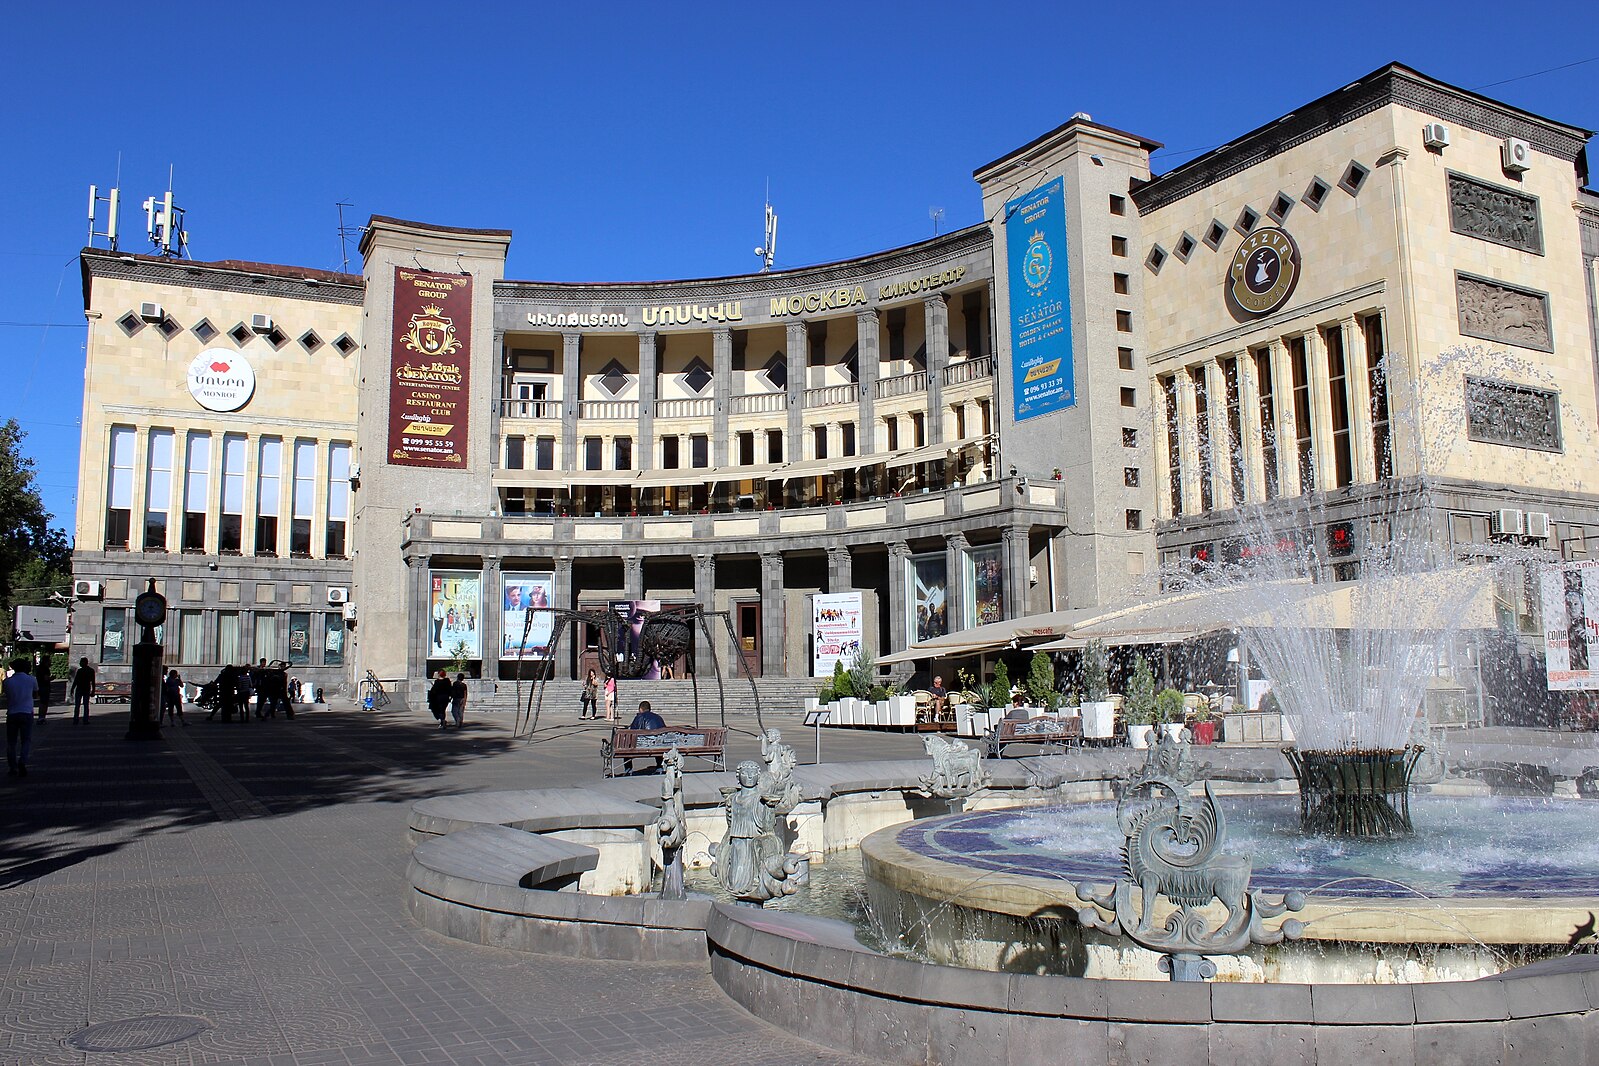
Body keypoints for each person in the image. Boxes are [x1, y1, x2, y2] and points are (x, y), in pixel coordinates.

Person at [5, 658, 39, 776]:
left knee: (11, 742)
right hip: (26, 712)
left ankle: (12, 767)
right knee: (26, 740)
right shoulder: (32, 679)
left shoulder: (8, 681)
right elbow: (35, 694)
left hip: (12, 713)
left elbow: (7, 696)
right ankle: (22, 761)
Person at [624, 700, 667, 773]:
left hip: (641, 746)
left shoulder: (638, 718)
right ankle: (659, 766)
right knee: (658, 742)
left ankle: (628, 769)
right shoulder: (658, 718)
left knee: (626, 746)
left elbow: (632, 732)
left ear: (640, 709)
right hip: (657, 746)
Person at [70, 657, 95, 723]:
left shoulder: (80, 671)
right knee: (86, 705)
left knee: (77, 705)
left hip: (80, 688)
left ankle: (76, 719)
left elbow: (76, 681)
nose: (80, 663)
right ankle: (85, 719)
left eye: (81, 662)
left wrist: (72, 688)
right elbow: (93, 681)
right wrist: (93, 690)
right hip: (86, 688)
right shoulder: (91, 670)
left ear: (84, 663)